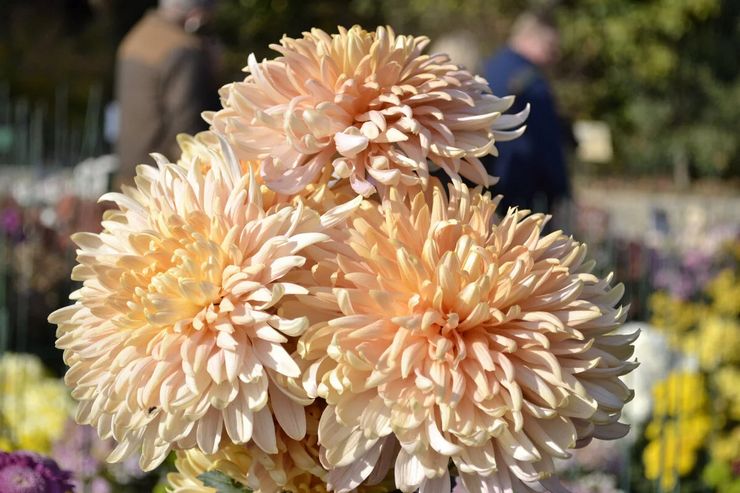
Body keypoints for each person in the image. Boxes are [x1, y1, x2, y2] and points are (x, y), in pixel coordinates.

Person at [115, 0, 218, 187]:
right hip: (165, 186)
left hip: (131, 180)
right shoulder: (183, 51)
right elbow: (187, 132)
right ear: (198, 16)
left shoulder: (133, 38)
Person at [481, 11, 570, 216]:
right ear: (533, 39)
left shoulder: (487, 68)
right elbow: (547, 143)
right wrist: (559, 189)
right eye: (550, 48)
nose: (554, 56)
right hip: (521, 190)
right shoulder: (532, 82)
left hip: (486, 182)